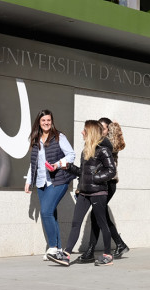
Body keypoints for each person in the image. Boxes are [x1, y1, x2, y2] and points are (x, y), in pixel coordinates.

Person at [61, 120, 117, 266]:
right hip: (84, 192)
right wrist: (68, 167)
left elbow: (111, 171)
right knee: (75, 223)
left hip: (98, 192)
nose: (82, 132)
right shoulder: (85, 150)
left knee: (102, 223)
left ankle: (107, 255)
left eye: (84, 130)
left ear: (90, 132)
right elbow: (82, 172)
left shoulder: (103, 150)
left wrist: (95, 178)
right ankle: (66, 255)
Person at [24, 109, 75, 266]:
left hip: (58, 180)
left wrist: (58, 164)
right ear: (39, 122)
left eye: (48, 120)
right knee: (51, 214)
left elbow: (71, 155)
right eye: (43, 120)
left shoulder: (59, 137)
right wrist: (28, 180)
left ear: (52, 121)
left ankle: (52, 247)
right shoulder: (36, 138)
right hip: (41, 182)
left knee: (45, 212)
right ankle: (58, 250)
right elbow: (35, 162)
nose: (46, 123)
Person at [79, 117, 129, 263]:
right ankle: (120, 244)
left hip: (108, 183)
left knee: (97, 216)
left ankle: (91, 251)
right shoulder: (99, 142)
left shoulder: (106, 143)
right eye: (98, 127)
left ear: (109, 130)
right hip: (100, 183)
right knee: (100, 216)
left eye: (104, 128)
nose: (100, 130)